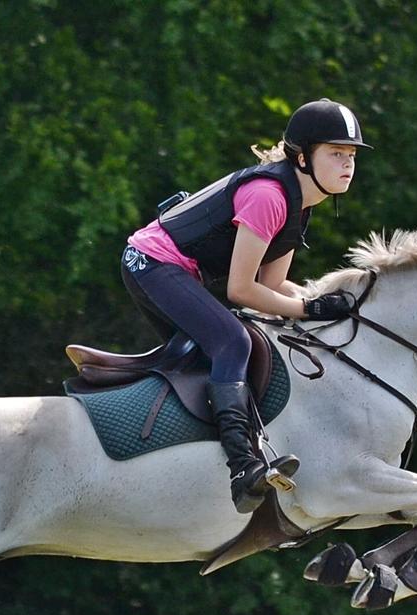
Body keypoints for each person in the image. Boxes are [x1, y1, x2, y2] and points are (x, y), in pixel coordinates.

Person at [121, 98, 370, 514]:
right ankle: (243, 469)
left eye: (351, 156)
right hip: (150, 263)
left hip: (171, 271)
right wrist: (310, 309)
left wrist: (334, 304)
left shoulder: (300, 206)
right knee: (234, 343)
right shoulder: (270, 197)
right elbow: (242, 290)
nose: (348, 164)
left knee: (241, 344)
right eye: (336, 153)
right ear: (303, 158)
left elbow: (273, 287)